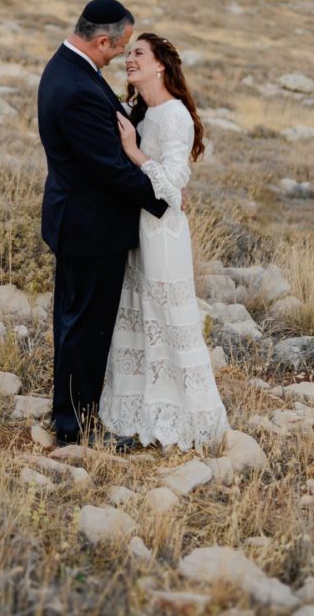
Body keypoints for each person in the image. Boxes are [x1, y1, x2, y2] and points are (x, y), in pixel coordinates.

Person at [37, 0, 168, 448]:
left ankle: (71, 414)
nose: (121, 55)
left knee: (77, 324)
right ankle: (76, 428)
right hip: (90, 228)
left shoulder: (67, 69)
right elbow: (109, 167)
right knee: (85, 332)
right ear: (102, 40)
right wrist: (164, 198)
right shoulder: (75, 88)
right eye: (121, 47)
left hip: (78, 221)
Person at [99, 32, 229, 450]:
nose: (129, 59)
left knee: (167, 319)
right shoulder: (139, 112)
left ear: (160, 66)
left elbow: (173, 183)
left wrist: (135, 153)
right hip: (134, 228)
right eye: (128, 53)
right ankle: (137, 410)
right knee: (136, 316)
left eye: (138, 54)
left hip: (163, 234)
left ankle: (186, 416)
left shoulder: (175, 116)